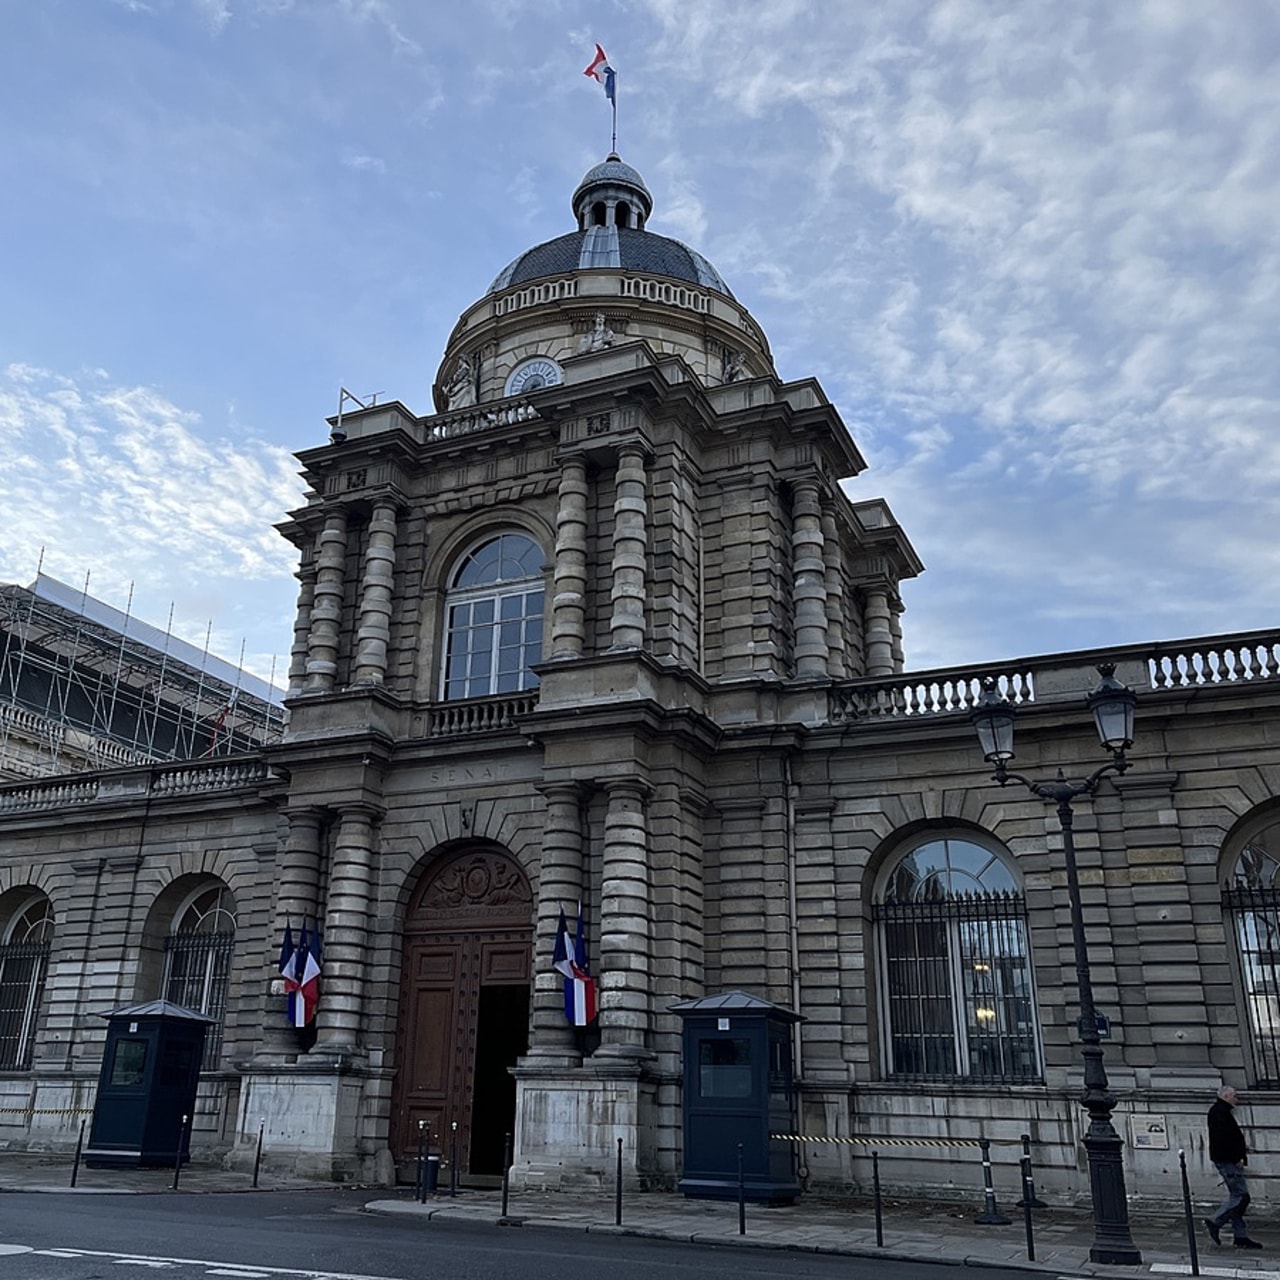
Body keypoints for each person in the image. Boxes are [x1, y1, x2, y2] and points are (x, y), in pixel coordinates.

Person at [1205, 1085, 1262, 1249]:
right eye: (1235, 1096)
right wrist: (1237, 1157)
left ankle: (1240, 1236)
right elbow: (1224, 1140)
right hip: (1228, 1161)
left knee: (1237, 1198)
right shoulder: (1219, 1113)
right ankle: (1216, 1221)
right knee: (1241, 1197)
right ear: (1226, 1096)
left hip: (1228, 1160)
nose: (1237, 1099)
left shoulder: (1221, 1111)